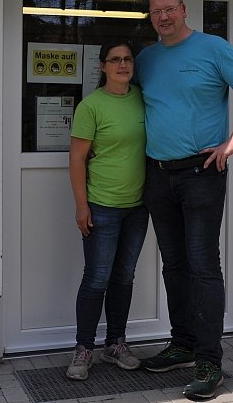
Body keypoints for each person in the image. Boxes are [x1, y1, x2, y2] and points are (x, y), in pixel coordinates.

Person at [134, 0, 233, 400]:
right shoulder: (146, 59)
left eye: (169, 9)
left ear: (183, 9)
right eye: (156, 11)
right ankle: (183, 344)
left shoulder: (213, 48)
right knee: (173, 265)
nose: (163, 17)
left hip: (201, 173)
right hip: (158, 174)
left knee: (203, 266)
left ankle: (210, 362)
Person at [66, 41, 148, 381]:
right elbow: (76, 159)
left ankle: (115, 343)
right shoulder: (91, 106)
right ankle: (83, 348)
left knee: (124, 277)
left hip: (137, 207)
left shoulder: (142, 98)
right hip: (102, 206)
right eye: (115, 60)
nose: (122, 65)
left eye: (127, 59)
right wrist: (81, 205)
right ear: (102, 66)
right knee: (96, 278)